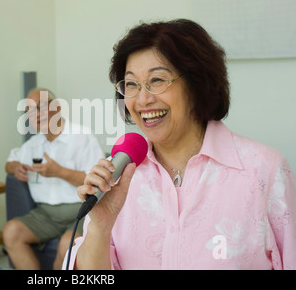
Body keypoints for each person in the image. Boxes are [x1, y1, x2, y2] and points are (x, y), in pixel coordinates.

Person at [68, 19, 296, 270]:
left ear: (197, 84)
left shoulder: (264, 170)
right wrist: (101, 227)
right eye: (131, 84)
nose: (143, 99)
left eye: (157, 80)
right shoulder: (120, 177)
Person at [3, 88, 105, 270]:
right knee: (11, 232)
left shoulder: (82, 137)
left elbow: (98, 182)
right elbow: (10, 161)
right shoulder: (32, 145)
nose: (36, 114)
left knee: (68, 243)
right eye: (30, 111)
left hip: (80, 211)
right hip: (45, 215)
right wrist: (15, 168)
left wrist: (59, 171)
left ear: (57, 108)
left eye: (40, 107)